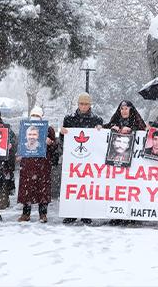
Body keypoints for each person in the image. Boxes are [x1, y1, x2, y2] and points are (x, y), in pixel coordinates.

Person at [61, 93, 103, 225]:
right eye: (81, 103)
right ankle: (71, 213)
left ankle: (86, 213)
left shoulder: (97, 120)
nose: (83, 106)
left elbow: (100, 140)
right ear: (78, 104)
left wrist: (100, 130)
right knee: (72, 186)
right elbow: (64, 140)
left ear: (90, 105)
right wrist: (62, 133)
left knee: (87, 187)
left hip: (90, 161)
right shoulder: (69, 119)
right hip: (73, 160)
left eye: (86, 104)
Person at [17, 107, 57, 223]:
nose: (35, 117)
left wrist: (50, 143)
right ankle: (26, 214)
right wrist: (18, 154)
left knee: (42, 189)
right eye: (33, 115)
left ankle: (43, 214)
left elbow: (55, 147)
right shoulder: (24, 128)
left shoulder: (48, 129)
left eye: (37, 115)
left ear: (41, 117)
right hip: (27, 164)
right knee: (27, 189)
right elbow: (20, 144)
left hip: (43, 165)